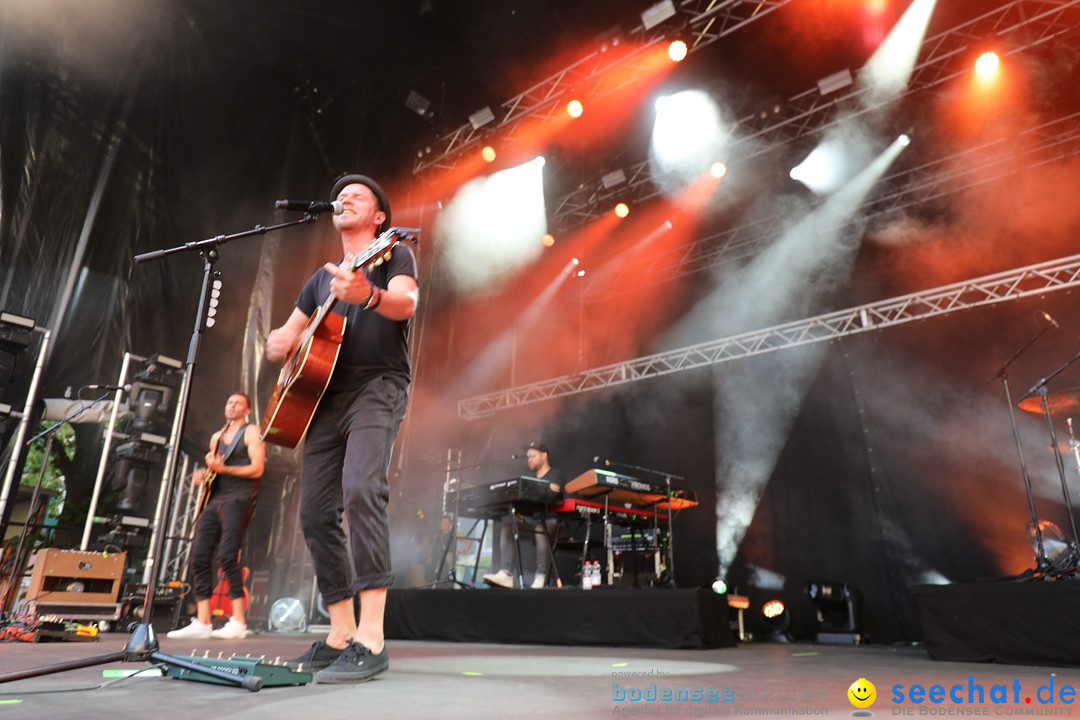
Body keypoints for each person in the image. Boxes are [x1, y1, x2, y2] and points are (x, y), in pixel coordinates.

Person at [265, 174, 418, 684]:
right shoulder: (319, 279)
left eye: (359, 194)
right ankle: (339, 632)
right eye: (340, 194)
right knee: (312, 513)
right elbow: (289, 332)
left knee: (361, 489)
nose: (344, 196)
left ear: (379, 217)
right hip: (323, 399)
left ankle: (372, 637)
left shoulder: (393, 253)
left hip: (379, 385)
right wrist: (281, 344)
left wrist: (368, 295)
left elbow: (406, 304)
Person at [167, 392, 265, 640]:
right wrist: (204, 474)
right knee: (199, 556)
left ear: (247, 411)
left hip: (239, 499)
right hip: (215, 500)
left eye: (238, 403)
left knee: (227, 557)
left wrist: (224, 469)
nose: (232, 405)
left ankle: (239, 622)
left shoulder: (252, 432)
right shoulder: (216, 438)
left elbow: (257, 468)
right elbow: (215, 471)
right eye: (229, 401)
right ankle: (203, 621)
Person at [481, 442, 565, 589]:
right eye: (528, 457)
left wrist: (529, 488)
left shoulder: (555, 474)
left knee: (540, 529)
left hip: (555, 524)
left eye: (532, 456)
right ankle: (506, 574)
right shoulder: (530, 479)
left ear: (544, 456)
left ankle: (541, 575)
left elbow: (553, 490)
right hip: (536, 525)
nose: (529, 459)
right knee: (508, 529)